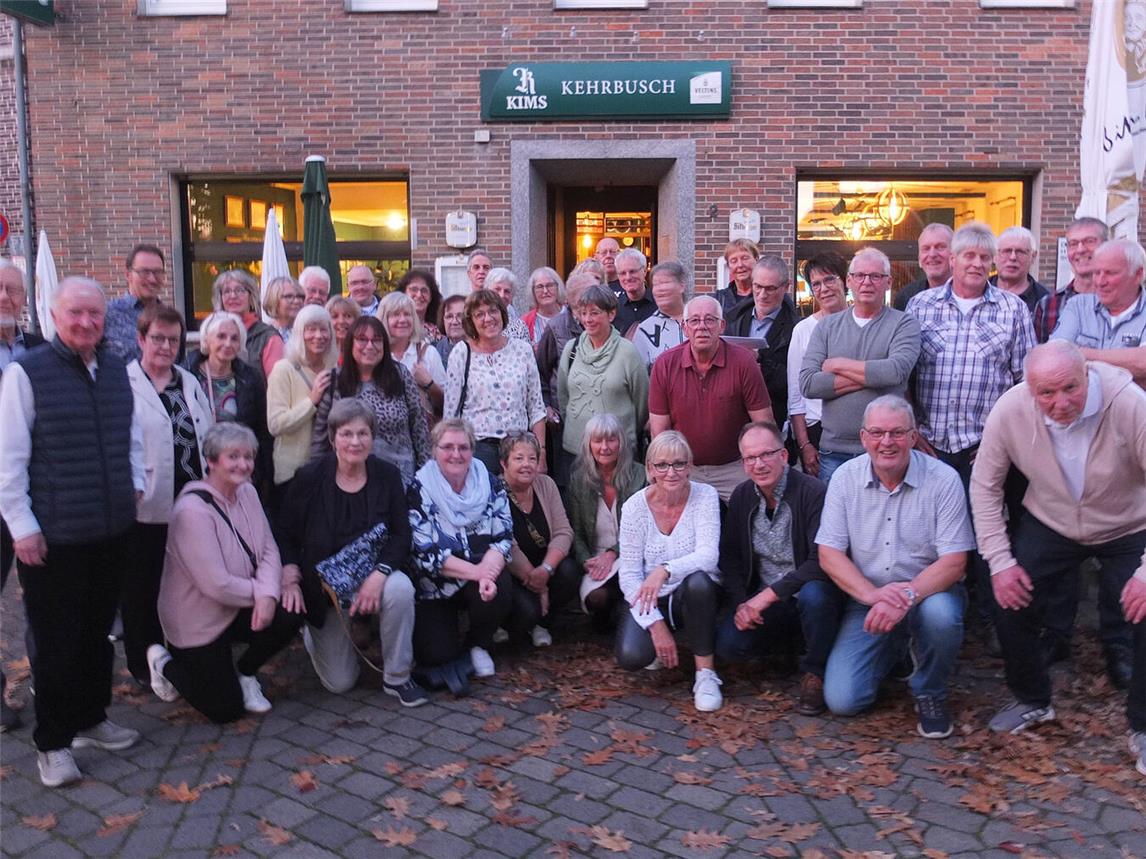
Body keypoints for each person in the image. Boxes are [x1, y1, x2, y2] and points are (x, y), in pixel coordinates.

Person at [968, 341, 1146, 767]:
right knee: (1009, 598)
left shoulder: (1130, 404)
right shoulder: (1010, 409)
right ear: (1029, 388)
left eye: (1070, 388)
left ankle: (1143, 724)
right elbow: (985, 486)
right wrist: (1000, 561)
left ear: (1088, 375)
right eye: (1046, 393)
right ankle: (1032, 699)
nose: (1060, 403)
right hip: (1052, 520)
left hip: (1128, 523)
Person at [0, 277, 143, 787]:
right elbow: (9, 460)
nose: (86, 323)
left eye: (94, 314)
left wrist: (137, 482)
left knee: (96, 636)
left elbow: (131, 434)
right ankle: (53, 744)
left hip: (109, 528)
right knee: (58, 645)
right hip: (53, 537)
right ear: (55, 318)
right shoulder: (25, 374)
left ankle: (90, 718)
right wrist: (23, 527)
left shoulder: (115, 370)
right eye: (75, 314)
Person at [907, 222, 1036, 652]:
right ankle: (932, 621)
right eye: (969, 256)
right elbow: (902, 374)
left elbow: (1024, 384)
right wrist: (911, 430)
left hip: (986, 447)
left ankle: (989, 626)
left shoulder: (1013, 310)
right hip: (931, 445)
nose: (978, 263)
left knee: (988, 533)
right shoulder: (921, 307)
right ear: (953, 259)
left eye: (985, 257)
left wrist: (1008, 440)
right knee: (931, 534)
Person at [816, 396, 974, 739]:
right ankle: (897, 649)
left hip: (929, 593)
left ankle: (930, 692)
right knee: (843, 700)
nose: (886, 442)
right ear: (863, 437)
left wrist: (905, 595)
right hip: (868, 599)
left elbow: (954, 561)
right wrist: (874, 596)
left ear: (913, 436)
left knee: (942, 617)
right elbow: (829, 553)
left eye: (896, 433)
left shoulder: (944, 480)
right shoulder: (844, 479)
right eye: (877, 433)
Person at [147, 423, 300, 723]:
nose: (243, 464)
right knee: (224, 710)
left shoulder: (248, 493)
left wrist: (269, 595)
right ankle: (164, 663)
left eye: (248, 456)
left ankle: (245, 672)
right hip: (198, 618)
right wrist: (263, 594)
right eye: (233, 456)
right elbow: (216, 585)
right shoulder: (192, 512)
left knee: (292, 609)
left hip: (239, 603)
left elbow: (268, 550)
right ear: (212, 461)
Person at [277, 399, 425, 706]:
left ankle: (397, 677)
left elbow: (401, 533)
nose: (355, 442)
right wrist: (290, 573)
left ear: (372, 437)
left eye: (362, 434)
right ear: (333, 439)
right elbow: (285, 533)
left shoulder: (387, 475)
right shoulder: (309, 478)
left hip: (373, 575)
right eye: (346, 434)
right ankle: (317, 637)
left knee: (400, 588)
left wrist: (380, 574)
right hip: (325, 589)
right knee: (340, 683)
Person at [715, 422, 845, 716]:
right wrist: (741, 604)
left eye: (766, 454)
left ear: (784, 455)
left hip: (805, 592)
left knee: (815, 595)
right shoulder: (742, 496)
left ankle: (816, 671)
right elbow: (731, 558)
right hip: (766, 599)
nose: (759, 464)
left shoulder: (813, 493)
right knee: (728, 647)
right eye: (750, 458)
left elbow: (820, 561)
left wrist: (766, 597)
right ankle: (792, 645)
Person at [124, 304, 213, 688]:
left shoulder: (188, 381)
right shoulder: (123, 383)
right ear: (141, 339)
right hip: (146, 501)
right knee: (143, 583)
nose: (165, 346)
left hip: (191, 500)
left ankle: (180, 651)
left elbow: (206, 431)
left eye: (173, 340)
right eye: (157, 338)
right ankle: (142, 661)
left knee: (185, 580)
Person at [615, 431, 724, 712]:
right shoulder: (634, 508)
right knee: (631, 656)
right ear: (650, 469)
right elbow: (628, 576)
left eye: (679, 464)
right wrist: (655, 625)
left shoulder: (706, 496)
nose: (671, 472)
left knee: (700, 581)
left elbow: (709, 556)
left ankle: (705, 674)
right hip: (651, 597)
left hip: (692, 592)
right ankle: (662, 637)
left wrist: (664, 570)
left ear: (690, 466)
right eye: (662, 465)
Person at [800, 247, 921, 483]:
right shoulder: (826, 327)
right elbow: (808, 384)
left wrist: (837, 364)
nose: (867, 282)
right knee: (835, 519)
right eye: (860, 275)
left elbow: (895, 371)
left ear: (888, 282)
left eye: (875, 276)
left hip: (887, 450)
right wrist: (874, 379)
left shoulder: (904, 324)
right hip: (834, 452)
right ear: (849, 281)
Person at [408, 419, 514, 685]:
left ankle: (478, 643)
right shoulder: (418, 488)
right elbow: (426, 554)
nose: (456, 454)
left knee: (501, 584)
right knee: (436, 654)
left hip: (479, 577)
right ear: (434, 450)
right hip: (436, 584)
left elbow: (503, 535)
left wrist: (488, 571)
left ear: (472, 450)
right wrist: (479, 572)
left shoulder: (489, 482)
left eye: (463, 447)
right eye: (447, 447)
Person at [649, 295, 773, 502]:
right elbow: (659, 432)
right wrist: (663, 472)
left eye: (710, 320)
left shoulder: (743, 362)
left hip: (734, 468)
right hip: (684, 468)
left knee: (751, 520)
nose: (702, 327)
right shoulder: (665, 365)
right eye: (694, 321)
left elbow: (764, 424)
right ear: (684, 327)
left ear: (722, 325)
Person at [311, 316, 431, 486]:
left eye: (377, 340)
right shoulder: (335, 380)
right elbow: (321, 437)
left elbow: (419, 427)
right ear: (350, 344)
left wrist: (425, 474)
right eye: (362, 339)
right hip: (350, 479)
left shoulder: (400, 375)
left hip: (401, 478)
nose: (370, 346)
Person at [0, 261, 43, 732]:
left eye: (14, 289)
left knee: (41, 596)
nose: (7, 297)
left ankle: (43, 678)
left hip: (35, 493)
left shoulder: (38, 349)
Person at [443, 290, 546, 475]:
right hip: (478, 452)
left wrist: (541, 453)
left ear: (502, 314)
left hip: (519, 450)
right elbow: (451, 414)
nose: (488, 318)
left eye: (493, 311)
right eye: (479, 314)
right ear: (471, 321)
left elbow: (536, 407)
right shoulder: (461, 352)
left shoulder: (522, 350)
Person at [499, 432, 580, 647]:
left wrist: (546, 570)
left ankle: (542, 623)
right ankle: (505, 624)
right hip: (513, 573)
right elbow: (506, 545)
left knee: (570, 572)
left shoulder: (546, 485)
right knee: (527, 612)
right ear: (503, 463)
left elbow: (564, 532)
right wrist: (540, 587)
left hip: (544, 567)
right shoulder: (494, 492)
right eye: (518, 458)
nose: (527, 465)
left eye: (532, 458)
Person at [567, 414, 646, 631]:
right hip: (596, 559)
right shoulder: (578, 480)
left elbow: (644, 529)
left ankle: (625, 612)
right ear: (588, 445)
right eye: (597, 441)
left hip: (632, 554)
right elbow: (575, 531)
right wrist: (586, 561)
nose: (604, 447)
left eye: (611, 439)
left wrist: (612, 554)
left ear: (621, 442)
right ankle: (611, 612)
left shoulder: (641, 475)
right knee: (596, 598)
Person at [557, 285, 649, 464]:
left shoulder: (628, 352)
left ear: (611, 314)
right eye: (583, 313)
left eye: (594, 313)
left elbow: (642, 402)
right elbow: (563, 396)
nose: (587, 319)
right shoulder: (571, 349)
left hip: (617, 454)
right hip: (576, 452)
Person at [185, 311, 272, 492]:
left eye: (234, 338)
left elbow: (262, 430)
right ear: (206, 340)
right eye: (221, 337)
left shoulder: (250, 378)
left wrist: (260, 476)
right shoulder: (186, 375)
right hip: (197, 469)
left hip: (237, 472)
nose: (227, 343)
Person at [786, 253, 848, 477]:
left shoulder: (860, 324)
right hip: (817, 429)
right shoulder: (803, 330)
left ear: (845, 281)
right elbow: (796, 394)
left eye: (830, 279)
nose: (824, 288)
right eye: (816, 284)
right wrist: (804, 445)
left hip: (857, 426)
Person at [1052, 238, 1146, 385]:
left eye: (1111, 273)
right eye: (1096, 273)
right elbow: (1055, 356)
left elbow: (1143, 363)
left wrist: (1079, 354)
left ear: (1138, 274)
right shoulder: (1078, 305)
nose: (1101, 282)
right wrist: (1129, 364)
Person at [266, 304, 338, 488]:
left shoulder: (334, 371)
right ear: (299, 333)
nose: (318, 335)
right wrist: (311, 401)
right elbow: (275, 425)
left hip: (329, 470)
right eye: (311, 329)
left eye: (324, 329)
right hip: (293, 473)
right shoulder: (284, 370)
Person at [727, 255, 798, 426]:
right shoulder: (732, 319)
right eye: (757, 286)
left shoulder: (796, 329)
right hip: (732, 421)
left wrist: (761, 362)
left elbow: (797, 385)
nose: (762, 295)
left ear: (786, 287)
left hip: (774, 422)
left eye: (770, 288)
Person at [1033, 217, 1108, 343]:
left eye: (1089, 241)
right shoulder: (1048, 304)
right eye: (1073, 244)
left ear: (1107, 245)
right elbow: (1038, 357)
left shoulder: (1129, 302)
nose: (1080, 249)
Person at [377, 290, 446, 421]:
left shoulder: (428, 353)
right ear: (384, 319)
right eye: (396, 315)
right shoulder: (376, 355)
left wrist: (429, 384)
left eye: (407, 314)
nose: (402, 320)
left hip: (422, 433)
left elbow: (447, 405)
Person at [211, 269, 284, 386]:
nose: (233, 296)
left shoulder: (268, 337)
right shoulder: (212, 335)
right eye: (227, 291)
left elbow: (278, 387)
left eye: (239, 290)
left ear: (251, 297)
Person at [104, 243, 170, 363]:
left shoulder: (171, 318)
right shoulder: (108, 315)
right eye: (144, 272)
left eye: (157, 272)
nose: (152, 279)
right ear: (128, 275)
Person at [631, 261, 687, 373]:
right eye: (656, 284)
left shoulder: (699, 321)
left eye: (665, 282)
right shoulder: (645, 330)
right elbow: (638, 375)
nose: (660, 289)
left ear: (682, 286)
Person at [893, 224, 954, 311]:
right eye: (926, 248)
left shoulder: (972, 294)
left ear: (955, 254)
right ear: (919, 259)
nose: (932, 254)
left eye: (940, 247)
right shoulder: (906, 296)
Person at [989, 226, 1049, 315]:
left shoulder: (1046, 301)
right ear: (994, 256)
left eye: (1020, 252)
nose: (1012, 257)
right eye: (1006, 251)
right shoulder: (978, 292)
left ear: (1033, 256)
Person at [612, 248, 656, 335]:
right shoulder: (613, 308)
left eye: (633, 271)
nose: (628, 277)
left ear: (644, 271)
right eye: (623, 273)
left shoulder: (659, 304)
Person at [713, 238, 760, 316]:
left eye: (745, 258)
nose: (740, 265)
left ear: (756, 260)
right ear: (728, 266)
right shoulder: (720, 299)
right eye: (734, 261)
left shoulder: (767, 296)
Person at [522, 266, 565, 347]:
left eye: (550, 285)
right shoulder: (525, 322)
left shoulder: (572, 315)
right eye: (540, 287)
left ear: (558, 287)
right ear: (533, 291)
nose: (545, 291)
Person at [485, 267, 532, 341]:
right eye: (497, 289)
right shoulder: (476, 320)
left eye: (507, 291)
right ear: (487, 290)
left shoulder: (520, 327)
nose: (502, 295)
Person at [397, 268, 443, 342]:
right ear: (403, 294)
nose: (419, 295)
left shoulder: (439, 330)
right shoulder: (395, 327)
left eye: (424, 290)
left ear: (431, 296)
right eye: (414, 289)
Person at [262, 275, 306, 342]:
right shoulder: (264, 336)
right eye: (289, 296)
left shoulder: (309, 332)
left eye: (300, 296)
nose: (297, 301)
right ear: (274, 300)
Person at [435, 294, 467, 366]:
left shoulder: (482, 348)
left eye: (460, 316)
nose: (454, 322)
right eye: (449, 316)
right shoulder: (435, 350)